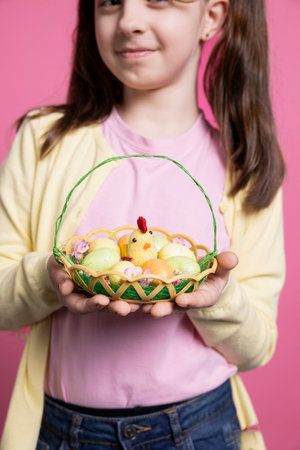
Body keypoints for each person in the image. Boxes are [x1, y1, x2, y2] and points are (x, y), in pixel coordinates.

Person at [0, 0, 285, 448]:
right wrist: (48, 277)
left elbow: (257, 347)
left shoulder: (243, 167)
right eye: (110, 2)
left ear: (211, 16)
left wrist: (216, 297)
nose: (129, 21)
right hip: (64, 430)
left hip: (202, 426)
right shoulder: (43, 140)